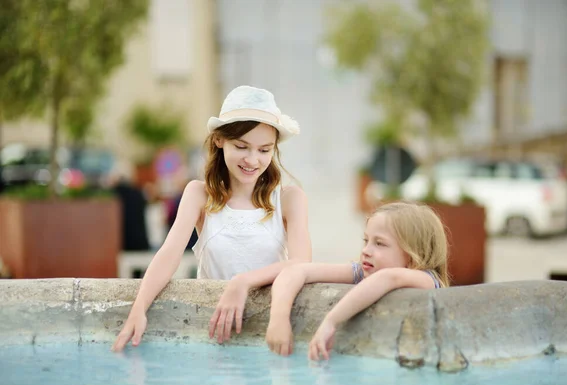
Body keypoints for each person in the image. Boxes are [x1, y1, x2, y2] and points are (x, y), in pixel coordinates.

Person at [112, 85, 312, 352]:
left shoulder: (289, 199)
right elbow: (169, 254)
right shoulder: (199, 194)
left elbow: (301, 264)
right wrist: (139, 308)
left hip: (269, 332)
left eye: (264, 150)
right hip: (212, 334)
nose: (253, 159)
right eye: (242, 146)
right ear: (219, 140)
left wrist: (243, 282)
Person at [265, 201, 449, 360]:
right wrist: (279, 318)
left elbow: (387, 278)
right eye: (366, 240)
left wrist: (330, 322)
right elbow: (296, 271)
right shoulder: (364, 272)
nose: (366, 250)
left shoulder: (426, 280)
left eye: (379, 243)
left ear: (413, 256)